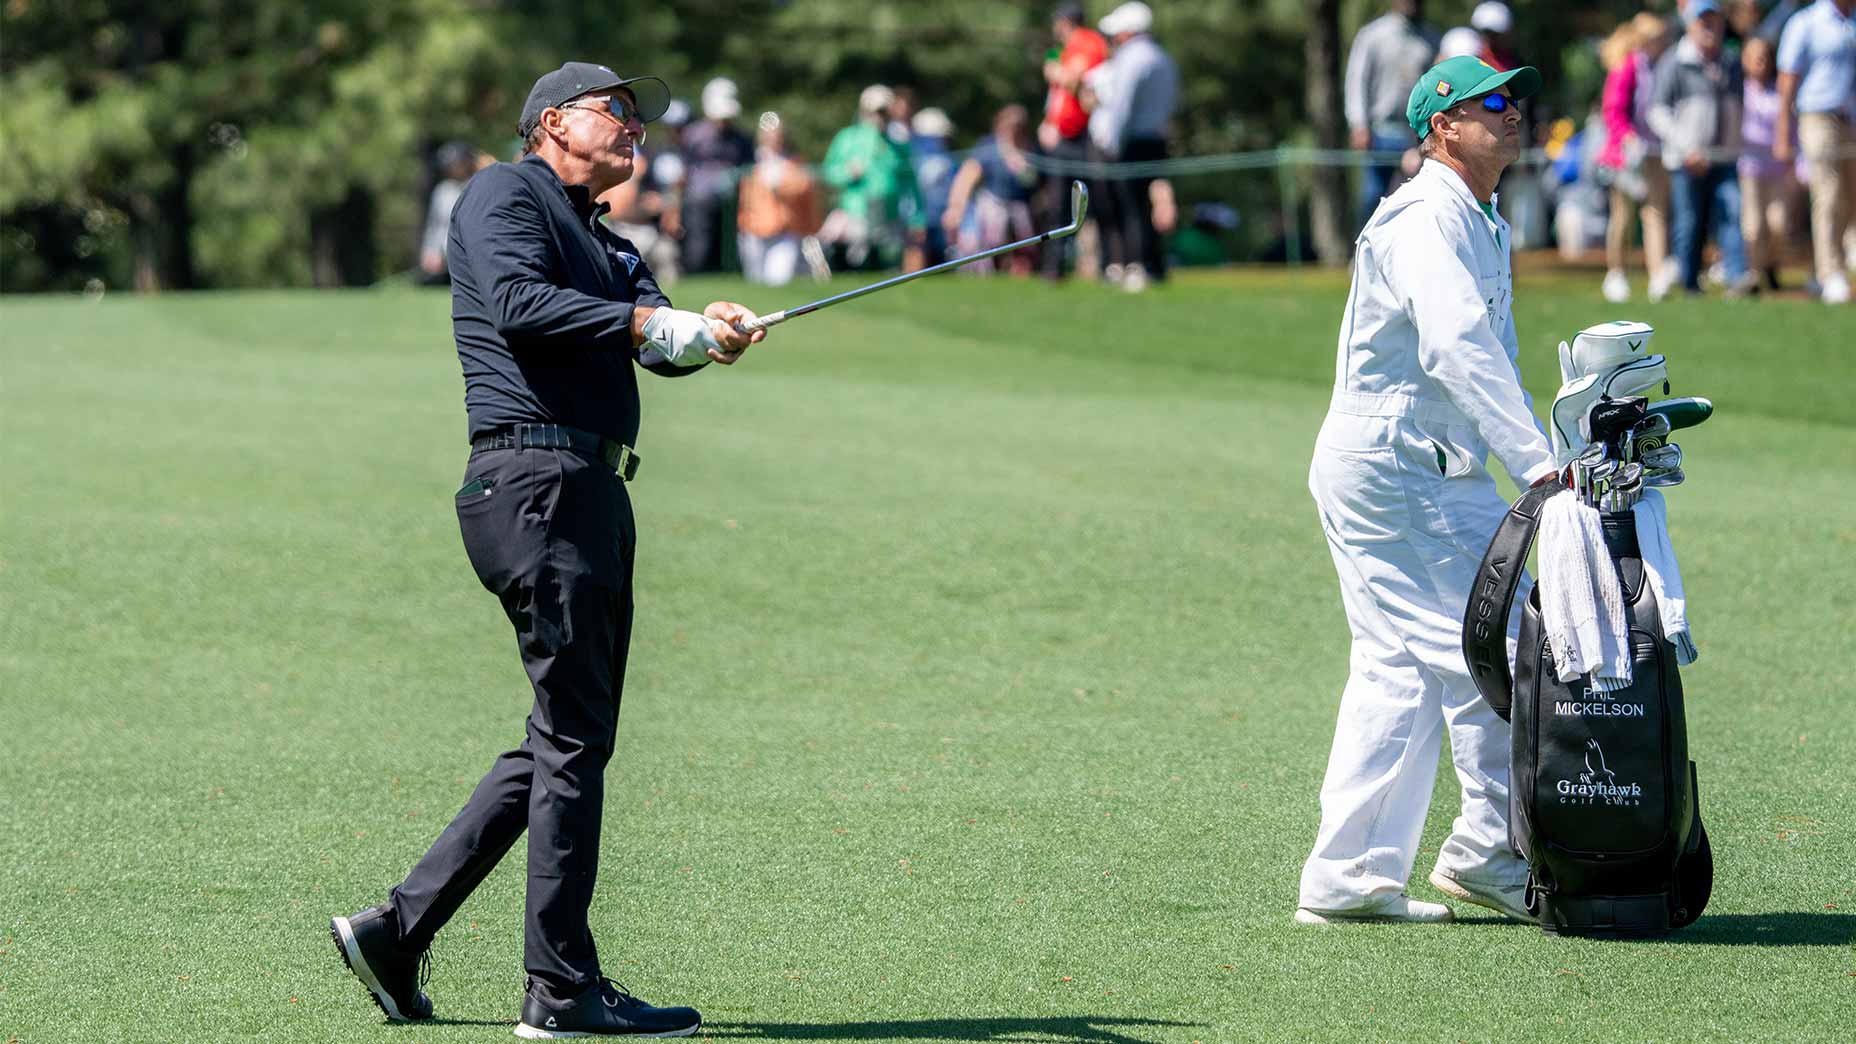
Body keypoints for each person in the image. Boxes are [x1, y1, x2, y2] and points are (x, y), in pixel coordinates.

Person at [329, 61, 764, 1039]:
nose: (636, 131)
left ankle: (397, 931)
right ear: (551, 122)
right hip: (533, 482)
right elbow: (520, 305)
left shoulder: (609, 242)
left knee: (563, 735)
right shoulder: (503, 192)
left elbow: (652, 339)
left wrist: (706, 332)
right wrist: (648, 319)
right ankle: (559, 989)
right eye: (618, 113)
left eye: (642, 121)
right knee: (572, 738)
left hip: (588, 490)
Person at [1298, 54, 1557, 927]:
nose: (1511, 111)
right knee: (1496, 654)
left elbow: (1492, 358)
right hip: (1403, 469)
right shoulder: (1423, 218)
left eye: (1513, 99)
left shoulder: (1477, 216)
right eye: (1491, 102)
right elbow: (1456, 344)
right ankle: (1486, 852)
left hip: (1409, 465)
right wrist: (1535, 464)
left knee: (1396, 673)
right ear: (1443, 126)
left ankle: (1349, 878)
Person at [1650, 0, 1754, 297]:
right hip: (1687, 160)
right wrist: (1687, 148)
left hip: (1725, 157)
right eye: (1703, 22)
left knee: (1731, 212)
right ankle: (1689, 282)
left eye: (1714, 21)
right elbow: (1657, 112)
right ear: (1691, 25)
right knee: (1689, 221)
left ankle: (1736, 277)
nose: (1710, 28)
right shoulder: (1674, 61)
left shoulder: (1731, 61)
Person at [1086, 1, 1179, 291]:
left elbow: (1122, 108)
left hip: (1131, 143)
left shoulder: (1131, 59)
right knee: (1149, 205)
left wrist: (1111, 143)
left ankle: (1137, 266)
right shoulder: (1163, 58)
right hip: (1157, 139)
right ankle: (1155, 266)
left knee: (1132, 208)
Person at [1775, 0, 1856, 304]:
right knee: (1829, 194)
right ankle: (1830, 273)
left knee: (1850, 200)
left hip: (1852, 120)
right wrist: (1783, 134)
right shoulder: (1806, 22)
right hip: (1817, 117)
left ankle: (1817, 270)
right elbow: (1787, 80)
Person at [1597, 13, 1675, 303]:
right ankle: (1616, 273)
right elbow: (1613, 110)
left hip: (1654, 151)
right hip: (1625, 154)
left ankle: (1657, 275)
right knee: (1623, 215)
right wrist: (1629, 138)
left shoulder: (1662, 68)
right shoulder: (1627, 66)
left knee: (1656, 213)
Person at [1344, 1, 1442, 229]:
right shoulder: (1372, 35)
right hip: (1381, 132)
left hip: (1416, 135)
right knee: (1373, 197)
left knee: (1417, 198)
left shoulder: (1432, 39)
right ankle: (1364, 253)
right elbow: (1357, 80)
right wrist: (1358, 123)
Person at [1038, 2, 1110, 279]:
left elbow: (1071, 80)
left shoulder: (1086, 42)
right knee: (1057, 204)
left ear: (1065, 22)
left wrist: (1054, 70)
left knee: (1089, 204)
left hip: (1080, 137)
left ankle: (1100, 265)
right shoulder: (1067, 48)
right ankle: (1053, 269)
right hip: (1061, 137)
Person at [819, 85, 924, 270]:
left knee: (889, 265)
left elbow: (911, 184)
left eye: (885, 112)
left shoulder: (899, 146)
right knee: (859, 263)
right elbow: (827, 174)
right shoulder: (847, 138)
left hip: (890, 217)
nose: (880, 117)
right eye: (876, 112)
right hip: (857, 215)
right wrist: (847, 173)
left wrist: (917, 219)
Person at [942, 104, 1042, 275]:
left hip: (1022, 208)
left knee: (1024, 249)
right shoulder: (989, 147)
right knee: (991, 245)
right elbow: (966, 177)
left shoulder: (1032, 149)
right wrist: (956, 207)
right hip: (993, 205)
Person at [737, 112, 823, 286]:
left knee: (778, 278)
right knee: (755, 281)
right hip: (755, 230)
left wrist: (780, 184)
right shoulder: (752, 163)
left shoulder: (794, 165)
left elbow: (804, 189)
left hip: (784, 230)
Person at [680, 77, 754, 274]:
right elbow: (684, 170)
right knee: (700, 246)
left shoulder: (742, 139)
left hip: (732, 204)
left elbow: (749, 167)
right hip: (699, 200)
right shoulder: (694, 135)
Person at [1741, 36, 1797, 291]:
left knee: (1778, 224)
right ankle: (1753, 272)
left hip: (1776, 169)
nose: (1760, 62)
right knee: (1753, 225)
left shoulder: (1780, 92)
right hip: (1749, 167)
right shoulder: (1738, 91)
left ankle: (1771, 266)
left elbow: (1791, 128)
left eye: (1764, 56)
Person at [419, 143, 490, 283]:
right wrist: (430, 250)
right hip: (447, 258)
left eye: (456, 163)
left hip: (478, 257)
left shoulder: (482, 185)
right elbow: (435, 225)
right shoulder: (442, 191)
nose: (453, 168)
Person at [909, 107, 959, 267]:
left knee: (942, 262)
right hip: (919, 218)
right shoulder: (917, 158)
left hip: (942, 219)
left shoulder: (947, 160)